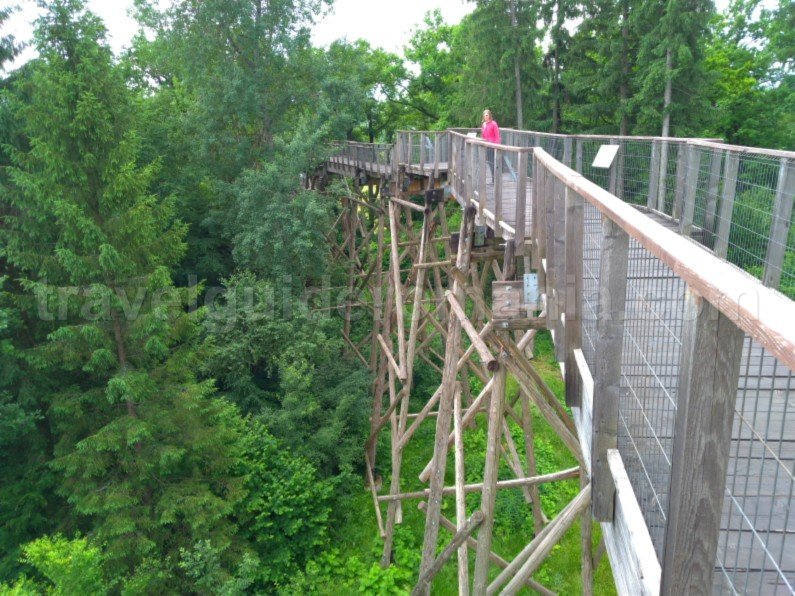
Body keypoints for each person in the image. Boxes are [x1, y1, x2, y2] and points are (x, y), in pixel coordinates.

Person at [481, 109, 501, 181]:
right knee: (490, 163)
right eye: (484, 115)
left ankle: (495, 179)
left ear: (489, 115)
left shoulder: (493, 123)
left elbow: (497, 136)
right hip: (486, 145)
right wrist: (482, 143)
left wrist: (496, 146)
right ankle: (493, 178)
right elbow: (483, 136)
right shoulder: (484, 124)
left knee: (493, 162)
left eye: (487, 115)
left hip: (492, 146)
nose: (485, 117)